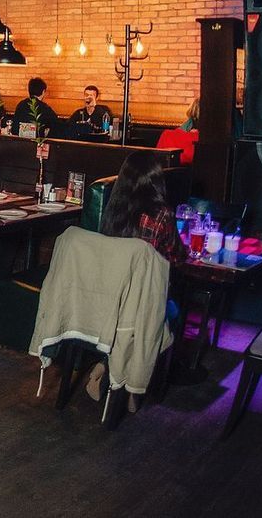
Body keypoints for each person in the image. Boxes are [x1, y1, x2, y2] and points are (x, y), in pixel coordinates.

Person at [88, 150, 186, 409]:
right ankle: (135, 386)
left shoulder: (113, 210)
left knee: (132, 321)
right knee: (169, 314)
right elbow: (175, 257)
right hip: (143, 303)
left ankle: (105, 366)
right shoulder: (162, 214)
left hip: (110, 298)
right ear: (156, 180)